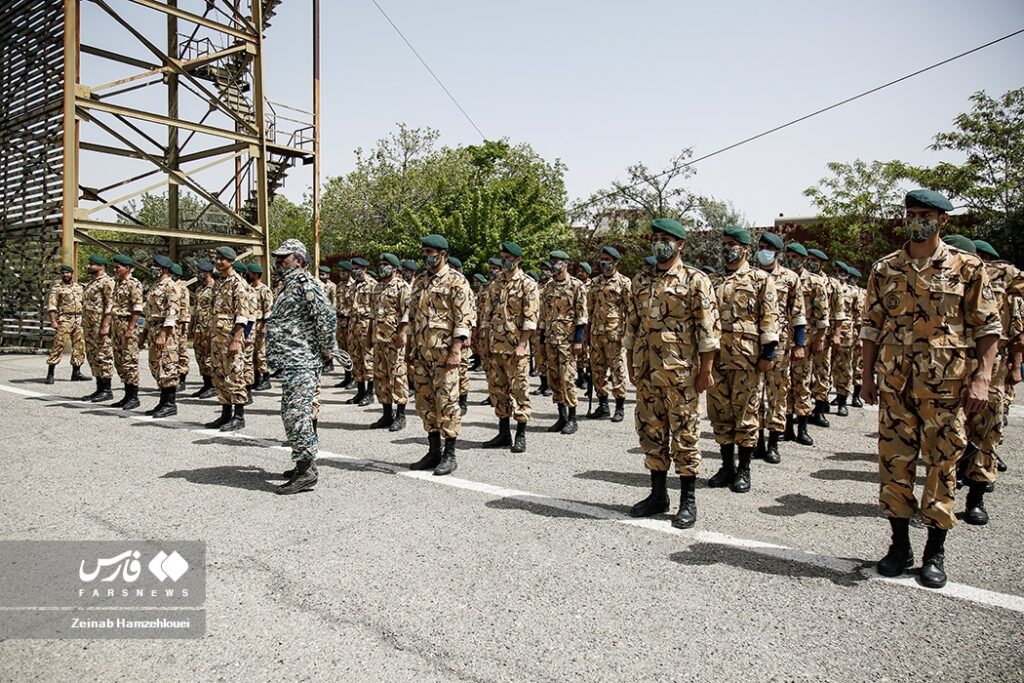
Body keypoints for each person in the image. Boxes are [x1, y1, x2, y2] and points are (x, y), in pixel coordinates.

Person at [860, 189, 1001, 589]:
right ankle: (899, 545)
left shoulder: (968, 268)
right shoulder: (885, 268)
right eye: (911, 213)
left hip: (946, 388)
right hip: (895, 384)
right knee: (894, 464)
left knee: (942, 465)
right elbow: (870, 327)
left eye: (925, 214)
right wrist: (867, 376)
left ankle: (934, 552)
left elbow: (987, 328)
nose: (916, 220)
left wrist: (982, 377)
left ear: (943, 221)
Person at [626, 218, 720, 528]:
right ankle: (658, 496)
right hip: (646, 371)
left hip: (681, 374)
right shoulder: (640, 280)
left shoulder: (696, 280)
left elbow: (708, 331)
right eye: (655, 238)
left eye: (665, 238)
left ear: (680, 244)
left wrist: (706, 371)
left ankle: (687, 501)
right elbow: (633, 326)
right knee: (650, 433)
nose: (658, 243)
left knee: (685, 435)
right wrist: (629, 359)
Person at [706, 226, 779, 493]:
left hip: (746, 358)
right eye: (724, 243)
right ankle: (727, 467)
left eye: (733, 243)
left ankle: (744, 470)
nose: (727, 247)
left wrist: (768, 353)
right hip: (715, 358)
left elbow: (770, 317)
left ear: (746, 249)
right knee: (720, 414)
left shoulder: (761, 280)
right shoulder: (711, 280)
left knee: (746, 414)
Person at [266, 239, 337, 495]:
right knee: (291, 413)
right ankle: (303, 464)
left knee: (296, 415)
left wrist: (327, 350)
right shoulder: (287, 286)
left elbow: (326, 316)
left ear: (298, 259)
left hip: (302, 360)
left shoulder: (306, 284)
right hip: (291, 361)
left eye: (283, 257)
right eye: (278, 257)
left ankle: (306, 472)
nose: (278, 261)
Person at [407, 235, 473, 475]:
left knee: (446, 403)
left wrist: (456, 350)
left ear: (442, 253)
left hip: (446, 355)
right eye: (424, 252)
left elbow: (463, 320)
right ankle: (433, 451)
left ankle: (450, 454)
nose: (426, 256)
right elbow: (413, 318)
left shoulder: (457, 281)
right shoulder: (420, 282)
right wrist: (409, 348)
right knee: (425, 403)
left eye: (430, 252)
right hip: (423, 354)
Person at [483, 241, 540, 453]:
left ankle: (521, 434)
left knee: (520, 390)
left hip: (516, 348)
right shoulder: (496, 283)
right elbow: (488, 316)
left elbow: (530, 318)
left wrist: (522, 345)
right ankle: (503, 433)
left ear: (518, 260)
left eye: (508, 258)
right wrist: (486, 342)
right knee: (499, 391)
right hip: (496, 346)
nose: (504, 261)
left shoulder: (528, 284)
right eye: (502, 257)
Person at [755, 232, 805, 464]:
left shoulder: (790, 278)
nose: (763, 250)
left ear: (777, 252)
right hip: (751, 344)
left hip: (781, 346)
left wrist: (799, 343)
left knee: (777, 394)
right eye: (761, 246)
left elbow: (798, 313)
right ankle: (757, 441)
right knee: (754, 394)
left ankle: (774, 443)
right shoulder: (750, 276)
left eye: (768, 247)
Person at [783, 242, 828, 445]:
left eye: (795, 256)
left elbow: (823, 316)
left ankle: (802, 428)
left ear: (803, 259)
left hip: (805, 342)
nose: (790, 259)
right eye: (788, 255)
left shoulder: (815, 283)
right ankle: (786, 427)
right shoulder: (781, 278)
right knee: (784, 385)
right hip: (783, 342)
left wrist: (819, 339)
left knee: (801, 383)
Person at [540, 250, 588, 435]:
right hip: (551, 340)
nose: (554, 264)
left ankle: (573, 418)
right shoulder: (549, 287)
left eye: (557, 261)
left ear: (566, 263)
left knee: (567, 379)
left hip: (568, 342)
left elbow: (582, 316)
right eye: (552, 261)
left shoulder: (576, 286)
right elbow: (544, 315)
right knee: (554, 380)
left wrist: (578, 341)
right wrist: (543, 338)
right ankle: (561, 416)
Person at [206, 247, 249, 432]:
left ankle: (238, 416)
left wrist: (236, 340)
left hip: (231, 338)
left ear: (231, 261)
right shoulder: (219, 283)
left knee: (234, 375)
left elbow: (242, 315)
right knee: (219, 375)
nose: (218, 262)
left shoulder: (238, 284)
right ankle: (225, 413)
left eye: (222, 259)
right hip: (218, 338)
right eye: (217, 258)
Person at [587, 246, 632, 422]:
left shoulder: (624, 283)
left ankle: (619, 407)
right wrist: (586, 335)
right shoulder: (595, 282)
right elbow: (590, 309)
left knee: (617, 370)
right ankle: (603, 405)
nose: (604, 262)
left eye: (608, 259)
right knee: (597, 370)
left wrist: (626, 335)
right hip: (596, 333)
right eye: (602, 259)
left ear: (616, 262)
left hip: (615, 334)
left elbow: (630, 311)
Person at [369, 253, 411, 431]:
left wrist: (402, 334)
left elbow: (407, 312)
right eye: (381, 264)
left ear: (394, 268)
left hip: (394, 340)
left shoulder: (402, 286)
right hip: (379, 340)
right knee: (380, 376)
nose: (382, 267)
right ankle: (387, 414)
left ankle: (401, 415)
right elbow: (373, 314)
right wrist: (369, 337)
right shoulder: (377, 287)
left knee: (397, 376)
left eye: (385, 264)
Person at [142, 255, 181, 418]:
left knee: (168, 365)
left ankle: (170, 403)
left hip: (165, 330)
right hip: (153, 328)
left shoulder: (171, 287)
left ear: (164, 268)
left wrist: (163, 334)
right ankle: (162, 401)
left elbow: (172, 312)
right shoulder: (154, 286)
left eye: (156, 266)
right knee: (155, 365)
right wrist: (144, 334)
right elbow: (149, 311)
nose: (153, 268)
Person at [109, 255, 144, 410]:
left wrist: (131, 328)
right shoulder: (117, 283)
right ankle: (126, 395)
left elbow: (137, 309)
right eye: (115, 267)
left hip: (127, 323)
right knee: (119, 360)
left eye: (118, 267)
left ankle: (133, 396)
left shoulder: (134, 284)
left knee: (130, 361)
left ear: (127, 268)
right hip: (116, 324)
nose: (115, 270)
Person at [80, 255, 115, 402]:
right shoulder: (92, 282)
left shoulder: (107, 282)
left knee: (103, 356)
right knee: (93, 356)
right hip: (90, 327)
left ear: (101, 266)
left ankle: (107, 390)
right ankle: (99, 388)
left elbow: (110, 305)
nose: (89, 266)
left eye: (92, 264)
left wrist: (105, 325)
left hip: (100, 325)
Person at [44, 264, 87, 384]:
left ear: (72, 274)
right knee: (59, 344)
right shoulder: (57, 288)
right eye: (63, 273)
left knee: (79, 346)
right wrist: (53, 321)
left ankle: (76, 372)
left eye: (67, 273)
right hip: (64, 319)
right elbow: (52, 306)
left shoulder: (79, 287)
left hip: (78, 319)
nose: (65, 275)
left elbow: (84, 303)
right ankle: (51, 372)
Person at [346, 257, 377, 406]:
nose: (354, 270)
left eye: (358, 268)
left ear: (364, 269)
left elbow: (376, 309)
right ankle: (360, 391)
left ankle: (370, 393)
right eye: (353, 268)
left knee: (368, 359)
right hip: (353, 325)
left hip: (366, 325)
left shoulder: (373, 285)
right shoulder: (352, 286)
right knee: (356, 358)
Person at [190, 260, 217, 398]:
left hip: (209, 327)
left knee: (209, 357)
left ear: (207, 272)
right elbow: (196, 310)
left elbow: (216, 310)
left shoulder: (215, 288)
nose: (198, 274)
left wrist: (211, 329)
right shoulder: (199, 289)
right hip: (199, 327)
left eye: (200, 271)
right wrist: (191, 326)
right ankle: (206, 384)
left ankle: (213, 385)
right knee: (200, 356)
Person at [250, 263, 274, 391]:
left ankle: (266, 378)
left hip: (261, 324)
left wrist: (265, 326)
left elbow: (268, 310)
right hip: (251, 324)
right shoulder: (249, 288)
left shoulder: (265, 290)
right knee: (253, 352)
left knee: (262, 352)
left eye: (250, 273)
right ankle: (256, 377)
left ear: (255, 275)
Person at [170, 263, 190, 392]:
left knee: (181, 351)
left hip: (180, 324)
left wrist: (183, 324)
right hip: (171, 324)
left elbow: (184, 307)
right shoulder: (170, 286)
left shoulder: (182, 288)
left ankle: (182, 378)